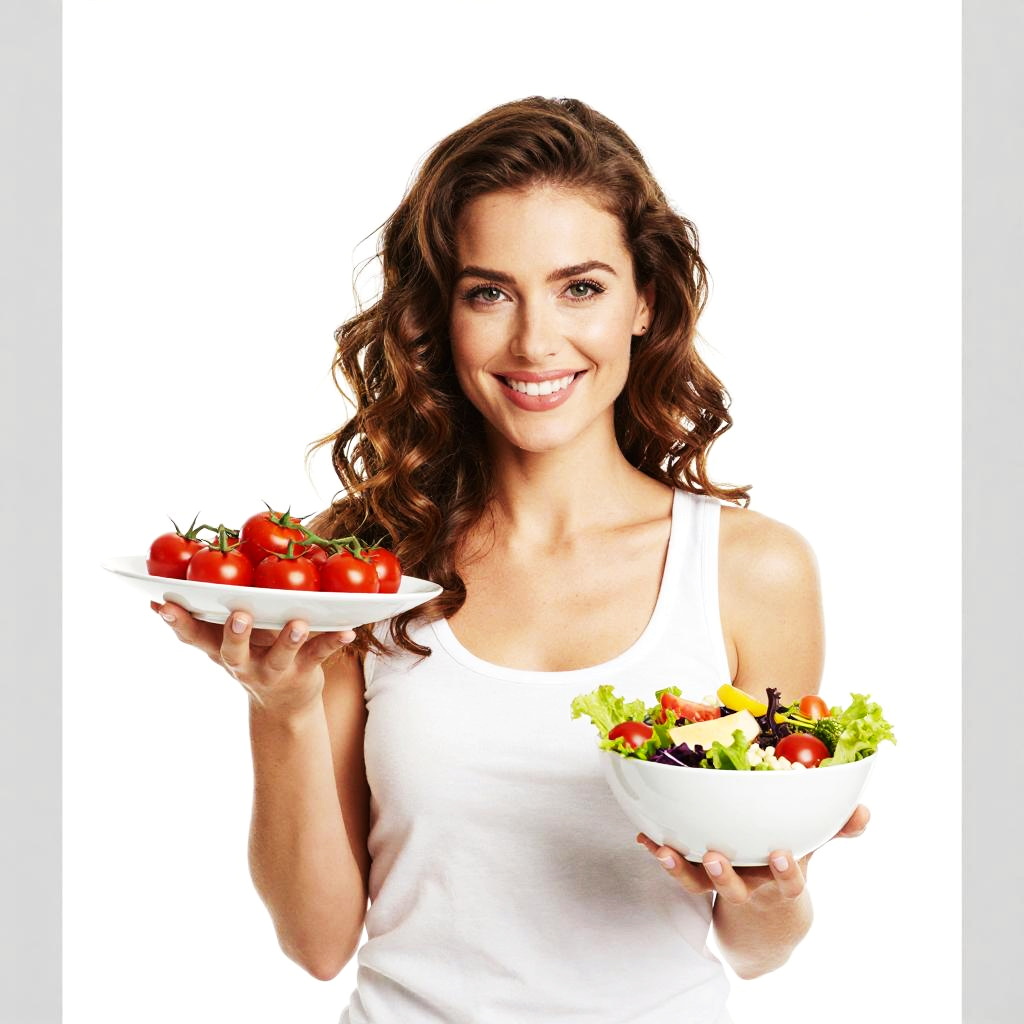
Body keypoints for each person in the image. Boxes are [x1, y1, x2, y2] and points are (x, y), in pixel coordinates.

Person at [151, 96, 869, 1023]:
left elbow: (755, 947)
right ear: (439, 317)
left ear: (645, 300)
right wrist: (282, 707)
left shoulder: (750, 571)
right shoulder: (367, 565)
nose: (535, 342)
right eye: (489, 292)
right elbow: (317, 942)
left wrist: (774, 896)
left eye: (581, 287)